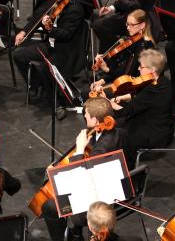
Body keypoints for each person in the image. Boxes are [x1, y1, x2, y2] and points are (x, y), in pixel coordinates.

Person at [41, 97, 126, 241]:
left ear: (94, 119)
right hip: (111, 182)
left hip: (99, 198)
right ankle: (76, 232)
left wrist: (80, 150)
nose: (84, 116)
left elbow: (82, 178)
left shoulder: (102, 149)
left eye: (86, 115)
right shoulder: (117, 132)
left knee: (49, 206)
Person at [13, 0, 86, 98]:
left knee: (44, 68)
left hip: (65, 51)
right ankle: (36, 85)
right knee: (18, 54)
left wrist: (50, 28)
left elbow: (66, 35)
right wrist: (23, 32)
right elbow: (37, 17)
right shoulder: (55, 2)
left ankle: (53, 98)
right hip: (50, 45)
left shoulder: (75, 9)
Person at [108, 49, 174, 155]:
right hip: (163, 128)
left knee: (116, 132)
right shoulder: (163, 81)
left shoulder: (152, 90)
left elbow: (127, 111)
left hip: (153, 134)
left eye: (141, 67)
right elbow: (143, 98)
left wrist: (111, 104)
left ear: (152, 70)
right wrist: (125, 97)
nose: (138, 68)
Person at [91, 9, 155, 90]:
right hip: (120, 81)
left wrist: (107, 69)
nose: (128, 28)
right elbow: (120, 67)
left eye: (132, 25)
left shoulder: (145, 47)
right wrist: (102, 81)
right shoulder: (131, 41)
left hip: (131, 87)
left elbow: (126, 75)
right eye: (127, 24)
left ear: (142, 25)